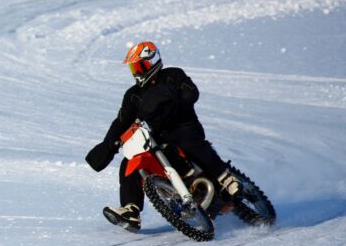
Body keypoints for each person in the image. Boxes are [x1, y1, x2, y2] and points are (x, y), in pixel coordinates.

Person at [85, 41, 240, 232]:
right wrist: (109, 144)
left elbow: (190, 92)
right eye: (134, 68)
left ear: (153, 61)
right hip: (156, 140)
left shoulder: (172, 75)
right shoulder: (133, 95)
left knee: (185, 139)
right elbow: (121, 121)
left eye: (140, 66)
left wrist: (177, 99)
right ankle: (131, 210)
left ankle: (225, 177)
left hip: (183, 127)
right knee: (130, 162)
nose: (137, 72)